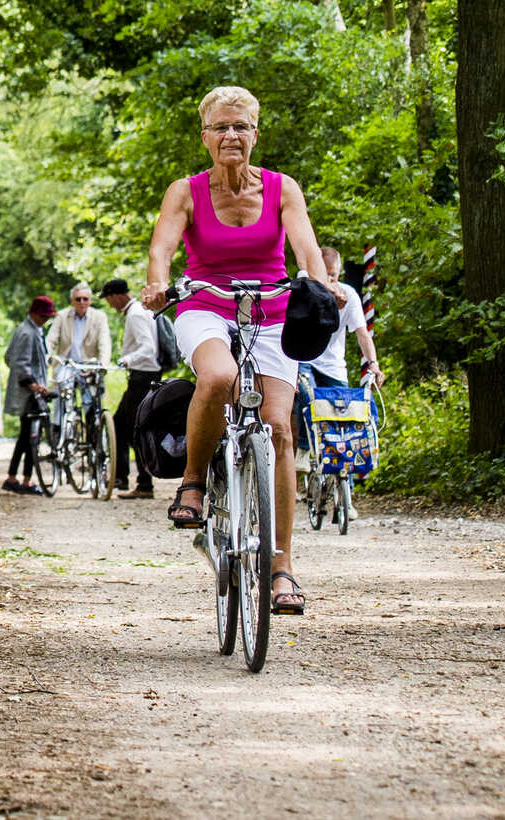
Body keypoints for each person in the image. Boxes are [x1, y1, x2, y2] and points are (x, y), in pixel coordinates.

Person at [140, 85, 342, 614]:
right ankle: (192, 484)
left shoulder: (281, 188)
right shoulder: (185, 191)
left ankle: (281, 568)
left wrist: (321, 284)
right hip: (205, 303)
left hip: (271, 309)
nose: (231, 135)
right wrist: (158, 284)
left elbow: (306, 248)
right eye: (221, 127)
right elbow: (162, 249)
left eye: (241, 126)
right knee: (218, 378)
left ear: (255, 134)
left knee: (278, 428)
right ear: (205, 136)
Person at [101, 278, 160, 499]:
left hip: (143, 378)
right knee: (123, 425)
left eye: (108, 299)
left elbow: (148, 348)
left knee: (133, 428)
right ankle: (123, 477)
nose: (109, 304)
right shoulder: (139, 310)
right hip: (143, 377)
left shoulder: (135, 314)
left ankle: (142, 483)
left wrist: (127, 359)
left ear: (115, 296)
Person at [2, 296, 59, 494]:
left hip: (31, 391)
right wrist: (34, 385)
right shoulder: (27, 333)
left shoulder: (32, 330)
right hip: (29, 394)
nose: (45, 319)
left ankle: (20, 478)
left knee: (27, 438)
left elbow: (8, 356)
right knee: (28, 438)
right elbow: (19, 363)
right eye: (43, 316)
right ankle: (18, 479)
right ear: (34, 314)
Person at [307, 246, 380, 387]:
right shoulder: (304, 290)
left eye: (333, 275)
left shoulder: (349, 295)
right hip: (304, 361)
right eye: (325, 275)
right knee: (307, 395)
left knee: (343, 399)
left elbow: (363, 334)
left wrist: (373, 363)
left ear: (339, 272)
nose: (329, 279)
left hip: (332, 366)